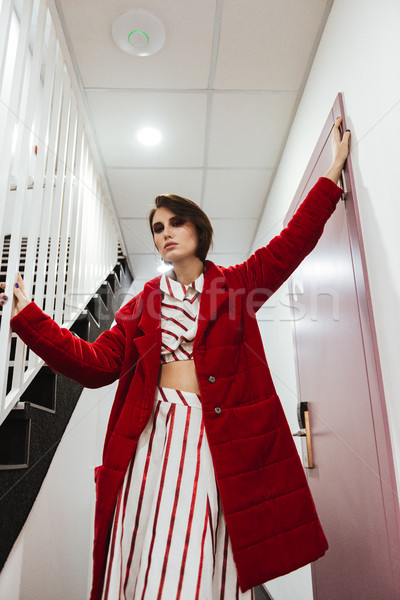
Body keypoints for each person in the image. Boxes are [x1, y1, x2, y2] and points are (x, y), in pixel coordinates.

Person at [1, 118, 350, 599]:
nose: (165, 233)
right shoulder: (142, 302)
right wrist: (30, 319)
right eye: (157, 228)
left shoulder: (239, 284)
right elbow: (96, 364)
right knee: (152, 546)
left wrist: (331, 174)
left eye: (175, 222)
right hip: (154, 435)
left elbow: (292, 242)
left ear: (198, 227)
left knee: (199, 551)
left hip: (214, 435)